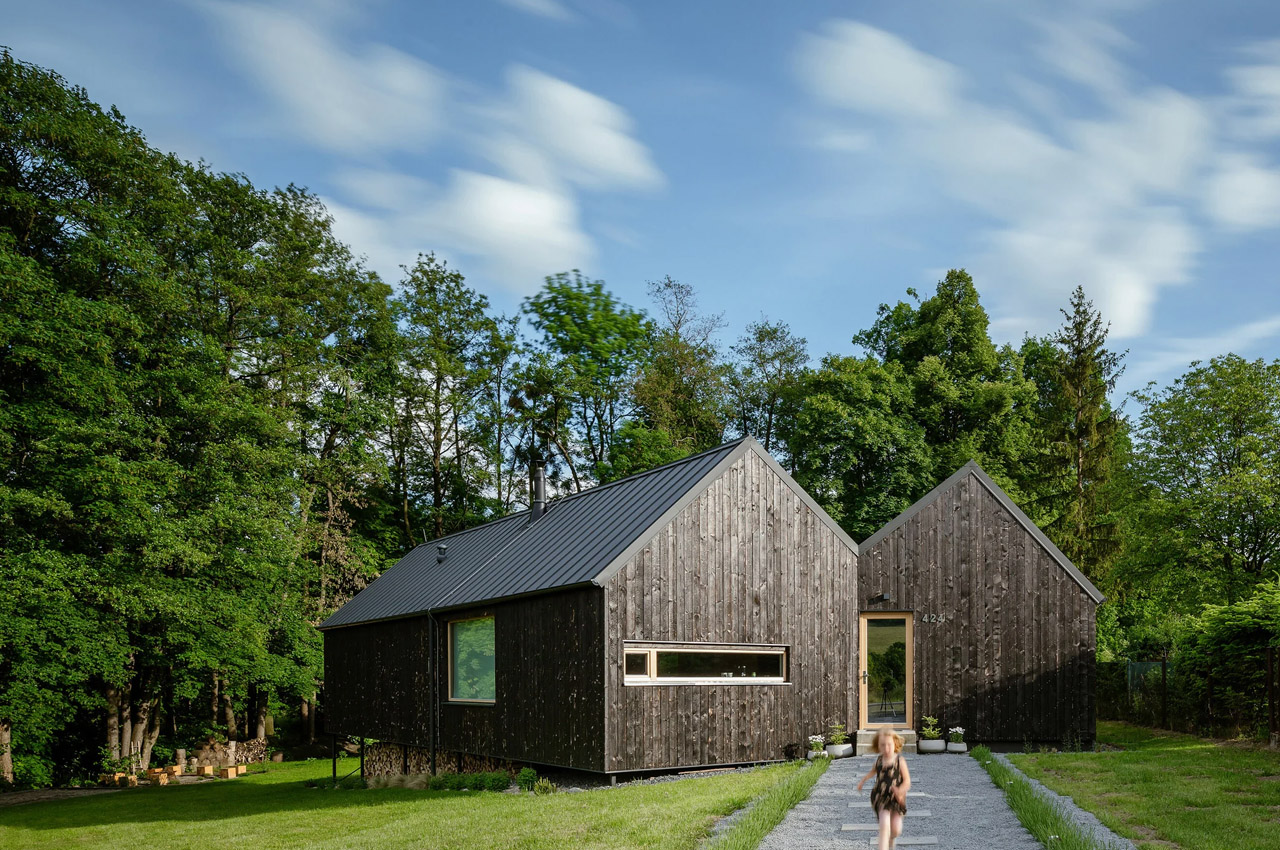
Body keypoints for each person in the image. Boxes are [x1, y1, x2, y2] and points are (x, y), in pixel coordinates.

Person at [856, 728, 911, 850]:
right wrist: (862, 781)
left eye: (889, 745)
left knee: (896, 830)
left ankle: (891, 839)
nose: (886, 748)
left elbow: (907, 781)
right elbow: (872, 772)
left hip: (896, 798)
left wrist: (900, 790)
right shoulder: (879, 760)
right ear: (878, 746)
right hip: (880, 796)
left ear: (895, 744)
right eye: (882, 745)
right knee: (884, 826)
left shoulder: (899, 761)